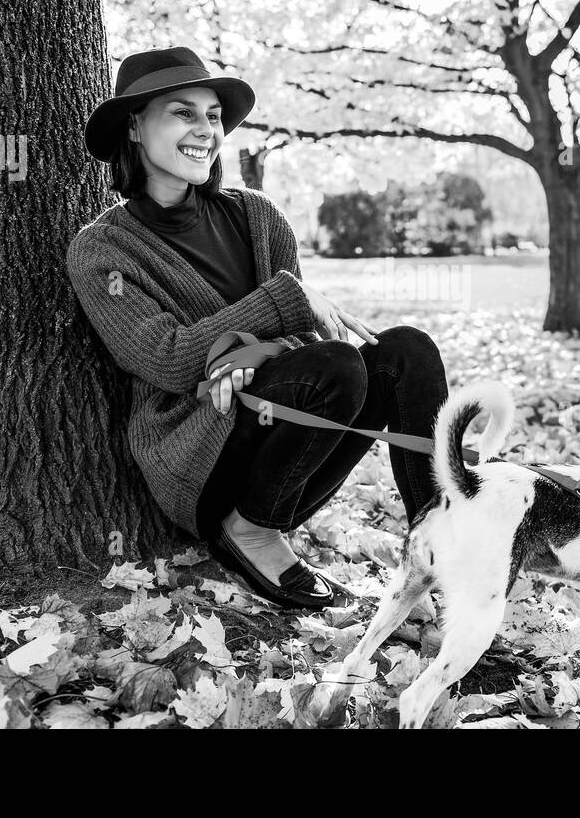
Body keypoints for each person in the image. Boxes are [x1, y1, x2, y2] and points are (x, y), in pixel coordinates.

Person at [66, 46, 451, 609]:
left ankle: (439, 541)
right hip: (199, 452)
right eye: (182, 112)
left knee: (405, 351)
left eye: (213, 115)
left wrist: (253, 350)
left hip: (292, 439)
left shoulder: (257, 214)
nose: (205, 129)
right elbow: (168, 358)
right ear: (133, 128)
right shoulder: (103, 248)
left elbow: (304, 338)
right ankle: (248, 530)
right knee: (334, 366)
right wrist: (280, 309)